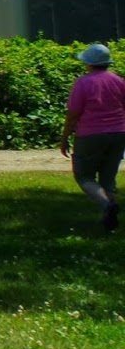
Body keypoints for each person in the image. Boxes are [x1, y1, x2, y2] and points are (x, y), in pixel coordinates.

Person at [59, 43, 125, 231]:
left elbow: (73, 113)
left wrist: (64, 137)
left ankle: (107, 206)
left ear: (89, 64)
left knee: (84, 176)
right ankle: (110, 222)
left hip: (90, 134)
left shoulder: (83, 83)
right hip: (119, 132)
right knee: (108, 177)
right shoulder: (119, 81)